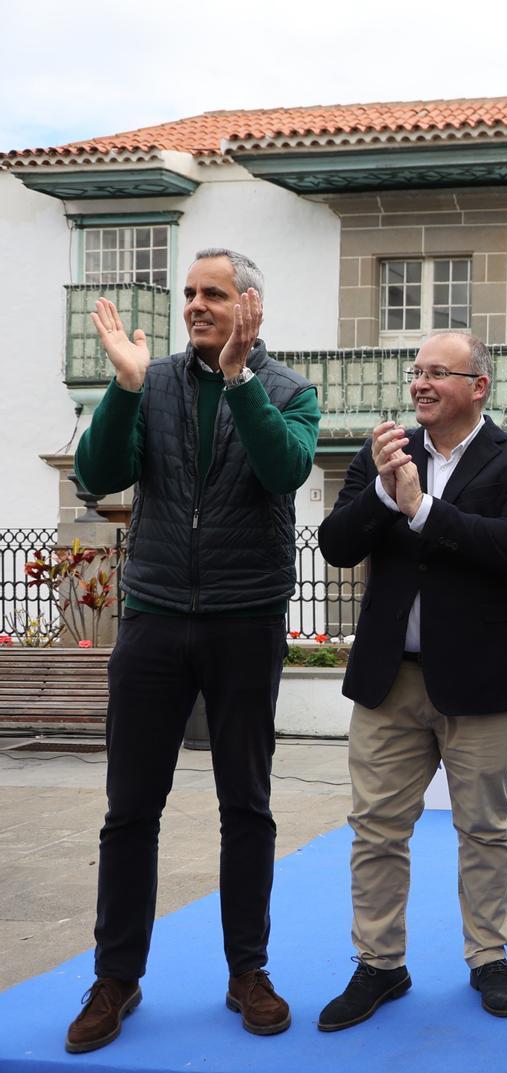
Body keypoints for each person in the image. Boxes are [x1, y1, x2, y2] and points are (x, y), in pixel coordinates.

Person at [66, 249, 320, 1053]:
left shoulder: (288, 390)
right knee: (129, 808)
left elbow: (285, 469)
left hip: (246, 621)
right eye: (189, 293)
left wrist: (242, 383)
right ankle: (116, 978)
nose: (195, 305)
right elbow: (96, 474)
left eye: (212, 293)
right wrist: (124, 387)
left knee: (245, 803)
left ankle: (248, 971)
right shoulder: (154, 383)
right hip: (154, 618)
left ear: (251, 305)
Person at [316, 332, 507, 1025]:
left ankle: (488, 955)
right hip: (390, 680)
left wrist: (422, 508)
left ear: (478, 386)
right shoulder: (384, 452)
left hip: (483, 680)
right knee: (375, 829)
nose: (420, 383)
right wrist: (386, 498)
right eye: (415, 371)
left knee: (484, 827)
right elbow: (336, 545)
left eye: (437, 373)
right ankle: (379, 965)